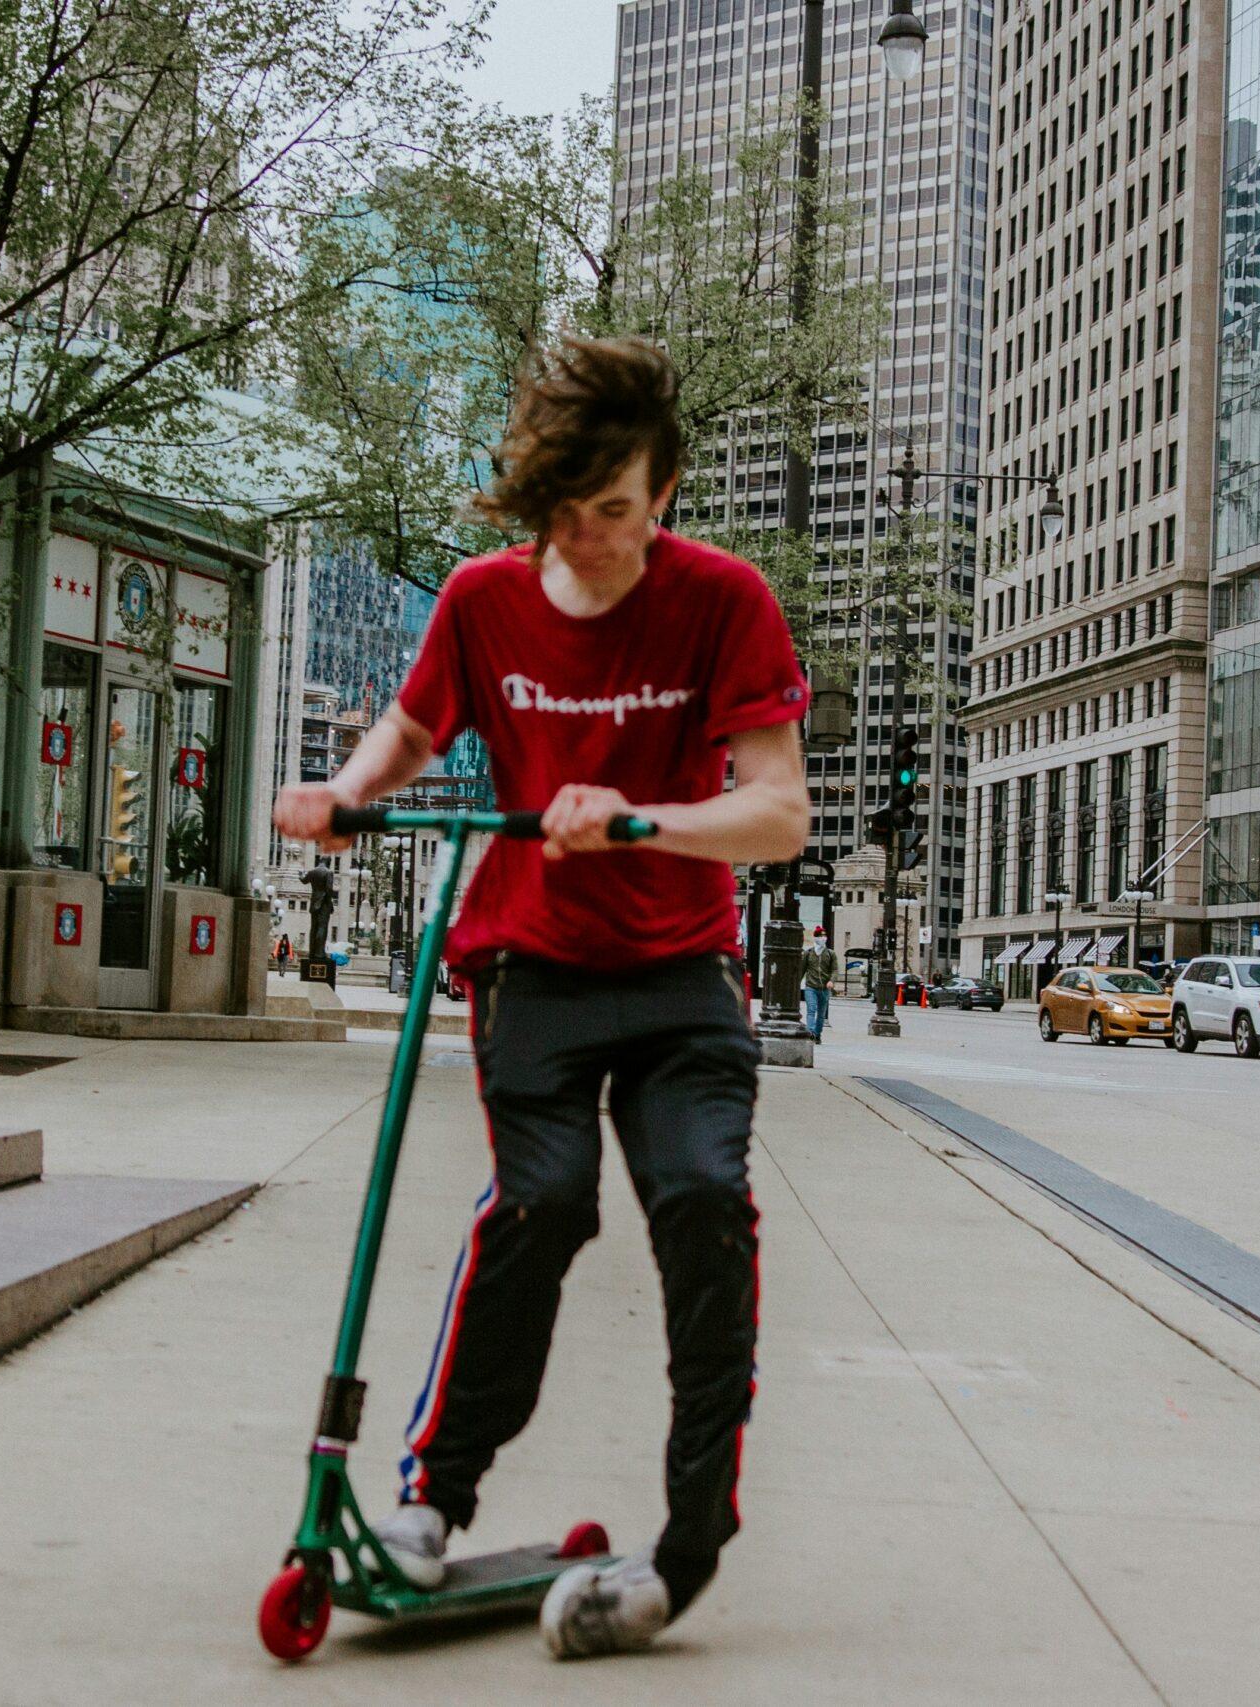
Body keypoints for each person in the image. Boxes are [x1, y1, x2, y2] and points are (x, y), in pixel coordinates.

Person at [273, 336, 809, 1660]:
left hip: (682, 972)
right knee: (539, 1200)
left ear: (666, 488)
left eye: (620, 511)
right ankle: (429, 1499)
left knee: (698, 1201)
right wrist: (351, 794)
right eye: (571, 517)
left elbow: (781, 811)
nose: (597, 541)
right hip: (532, 961)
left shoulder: (725, 598)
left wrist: (638, 820)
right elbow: (415, 723)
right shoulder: (480, 599)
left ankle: (688, 1542)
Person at [801, 927, 836, 1041]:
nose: (823, 938)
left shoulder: (830, 954)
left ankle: (817, 1033)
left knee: (821, 1014)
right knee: (811, 1009)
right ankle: (810, 1032)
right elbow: (802, 970)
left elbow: (835, 970)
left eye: (824, 936)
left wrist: (831, 980)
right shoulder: (808, 953)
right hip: (811, 987)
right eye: (820, 936)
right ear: (815, 938)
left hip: (824, 989)